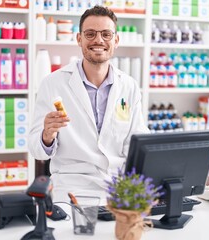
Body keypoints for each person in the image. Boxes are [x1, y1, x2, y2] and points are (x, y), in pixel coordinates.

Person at [28, 6, 149, 201]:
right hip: (71, 188)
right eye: (90, 34)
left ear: (116, 40)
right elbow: (36, 149)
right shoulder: (52, 83)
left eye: (106, 34)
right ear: (79, 39)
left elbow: (138, 141)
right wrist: (46, 136)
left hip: (118, 187)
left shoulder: (129, 86)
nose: (98, 40)